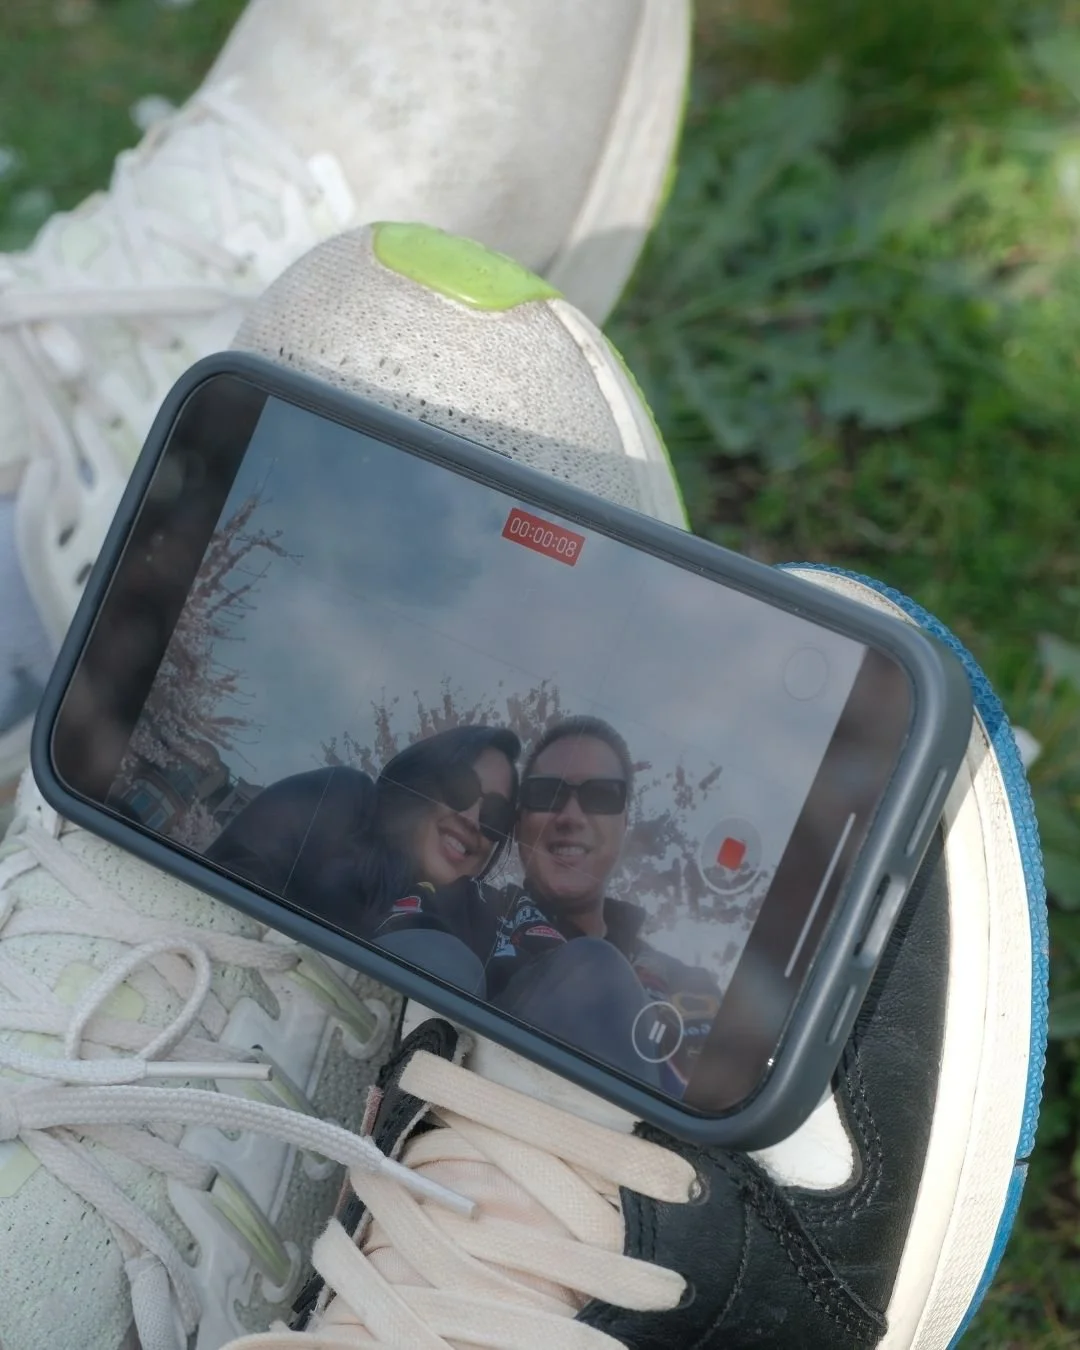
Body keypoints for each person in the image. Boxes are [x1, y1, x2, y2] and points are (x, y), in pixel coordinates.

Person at [0, 8, 1045, 1349]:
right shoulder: (359, 834)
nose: (513, 819)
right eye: (510, 791)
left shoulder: (556, 945)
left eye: (551, 802)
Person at [376, 715, 722, 1090]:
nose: (570, 817)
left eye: (600, 796)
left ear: (624, 823)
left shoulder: (691, 988)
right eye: (547, 794)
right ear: (520, 820)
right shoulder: (456, 911)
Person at [203, 724, 519, 934]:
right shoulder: (342, 803)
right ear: (423, 780)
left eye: (495, 814)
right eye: (459, 786)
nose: (472, 819)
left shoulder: (472, 938)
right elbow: (214, 906)